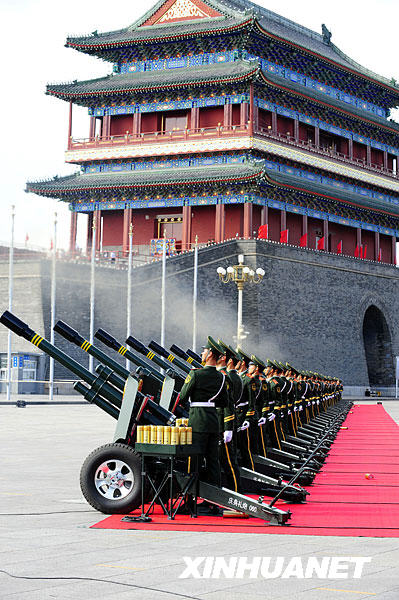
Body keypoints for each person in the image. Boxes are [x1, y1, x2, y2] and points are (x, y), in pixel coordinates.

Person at [178, 336, 229, 514]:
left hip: (197, 422)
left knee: (194, 461)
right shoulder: (222, 378)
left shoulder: (196, 374)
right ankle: (213, 501)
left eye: (204, 351)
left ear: (209, 355)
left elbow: (183, 396)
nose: (202, 353)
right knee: (213, 462)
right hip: (213, 423)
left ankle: (190, 500)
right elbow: (224, 402)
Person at [217, 340, 242, 492]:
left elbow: (228, 403)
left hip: (223, 421)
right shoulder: (231, 376)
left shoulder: (229, 377)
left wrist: (227, 427)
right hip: (222, 421)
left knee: (228, 462)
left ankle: (236, 492)